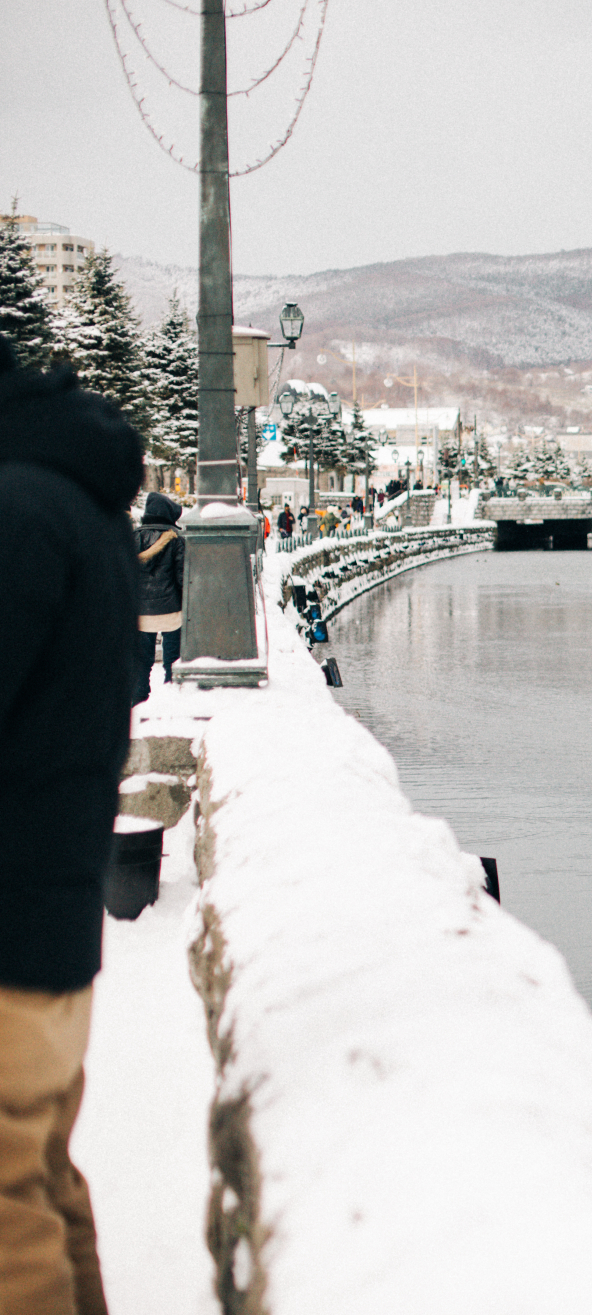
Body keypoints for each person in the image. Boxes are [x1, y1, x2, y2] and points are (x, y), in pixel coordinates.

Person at [0, 335, 143, 1315]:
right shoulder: (70, 497)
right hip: (47, 908)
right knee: (38, 1177)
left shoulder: (15, 512)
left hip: (9, 912)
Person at [133, 492, 185, 704]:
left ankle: (139, 697)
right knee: (172, 657)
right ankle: (170, 696)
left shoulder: (135, 537)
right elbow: (181, 577)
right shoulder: (175, 539)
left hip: (141, 612)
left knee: (142, 659)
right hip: (171, 610)